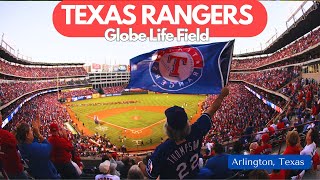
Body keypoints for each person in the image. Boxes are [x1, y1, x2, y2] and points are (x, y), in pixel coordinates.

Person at [136, 87, 229, 179]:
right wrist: (222, 95)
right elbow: (212, 109)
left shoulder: (162, 150)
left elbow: (150, 174)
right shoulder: (196, 130)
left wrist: (139, 163)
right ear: (187, 123)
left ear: (168, 128)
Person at [0, 113, 27, 179]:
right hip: (15, 169)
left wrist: (15, 130)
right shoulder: (6, 136)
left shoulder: (5, 136)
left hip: (5, 168)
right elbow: (15, 142)